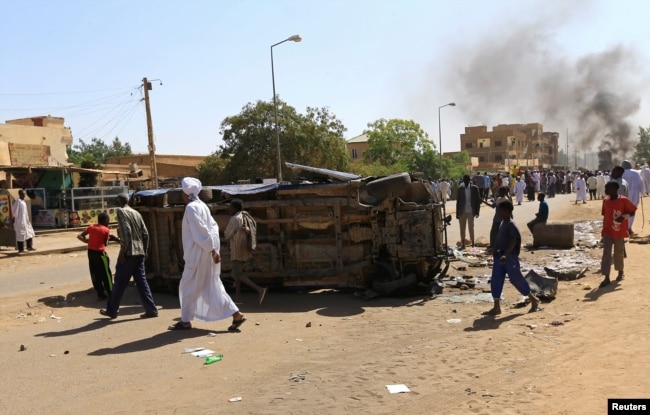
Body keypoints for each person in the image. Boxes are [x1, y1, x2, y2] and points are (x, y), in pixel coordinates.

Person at [168, 177, 246, 331]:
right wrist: (214, 250)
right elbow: (213, 228)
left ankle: (185, 321)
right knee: (212, 286)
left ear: (185, 194)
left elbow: (201, 233)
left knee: (187, 286)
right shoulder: (202, 206)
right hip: (207, 252)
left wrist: (211, 250)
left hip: (199, 254)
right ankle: (236, 315)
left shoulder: (191, 208)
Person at [100, 193, 159, 319]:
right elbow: (145, 234)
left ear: (119, 202)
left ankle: (112, 310)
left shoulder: (121, 212)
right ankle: (151, 309)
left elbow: (126, 233)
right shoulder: (136, 213)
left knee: (119, 282)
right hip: (140, 253)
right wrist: (145, 250)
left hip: (129, 253)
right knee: (142, 282)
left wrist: (122, 253)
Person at [482, 201, 540, 316]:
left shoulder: (511, 224)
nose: (498, 212)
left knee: (516, 279)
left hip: (508, 258)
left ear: (506, 211)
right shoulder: (503, 222)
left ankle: (533, 300)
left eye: (500, 210)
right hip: (499, 257)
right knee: (496, 280)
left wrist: (506, 255)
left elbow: (514, 240)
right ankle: (496, 307)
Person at [224, 198, 268, 305]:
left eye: (230, 208)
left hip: (237, 250)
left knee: (236, 273)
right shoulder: (245, 216)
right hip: (245, 249)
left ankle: (259, 289)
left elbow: (227, 234)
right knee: (237, 273)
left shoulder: (235, 219)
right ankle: (238, 298)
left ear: (234, 208)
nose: (228, 210)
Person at [598, 181, 636, 288]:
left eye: (607, 188)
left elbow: (632, 211)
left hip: (619, 231)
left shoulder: (623, 200)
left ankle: (620, 272)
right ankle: (606, 277)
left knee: (618, 253)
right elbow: (605, 216)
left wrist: (624, 217)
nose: (605, 190)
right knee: (606, 253)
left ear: (615, 189)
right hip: (607, 231)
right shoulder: (605, 201)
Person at [77, 212, 119, 300]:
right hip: (100, 254)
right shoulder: (106, 230)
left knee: (94, 272)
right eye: (108, 220)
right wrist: (110, 238)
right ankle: (110, 291)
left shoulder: (91, 227)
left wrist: (90, 241)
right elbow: (105, 243)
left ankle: (100, 293)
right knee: (106, 273)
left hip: (90, 252)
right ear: (105, 221)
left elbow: (80, 236)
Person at [620, 160, 646, 235]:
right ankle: (628, 228)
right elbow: (641, 183)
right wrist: (643, 193)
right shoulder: (636, 173)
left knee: (623, 211)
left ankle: (624, 228)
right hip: (634, 195)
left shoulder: (621, 173)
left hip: (624, 195)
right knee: (631, 211)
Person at [455, 174, 481, 249]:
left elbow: (477, 201)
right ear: (463, 181)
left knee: (471, 227)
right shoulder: (460, 189)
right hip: (462, 211)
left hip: (471, 210)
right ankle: (463, 243)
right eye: (465, 181)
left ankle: (472, 243)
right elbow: (458, 202)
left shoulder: (474, 188)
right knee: (462, 228)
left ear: (469, 181)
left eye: (467, 180)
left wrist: (477, 212)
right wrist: (457, 213)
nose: (466, 182)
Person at [487, 186, 511, 253]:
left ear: (505, 192)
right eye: (499, 191)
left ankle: (500, 247)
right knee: (493, 233)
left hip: (502, 219)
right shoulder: (498, 198)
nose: (499, 192)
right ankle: (492, 245)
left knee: (501, 234)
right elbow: (493, 206)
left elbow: (509, 211)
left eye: (501, 191)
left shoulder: (506, 200)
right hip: (496, 218)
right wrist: (483, 201)